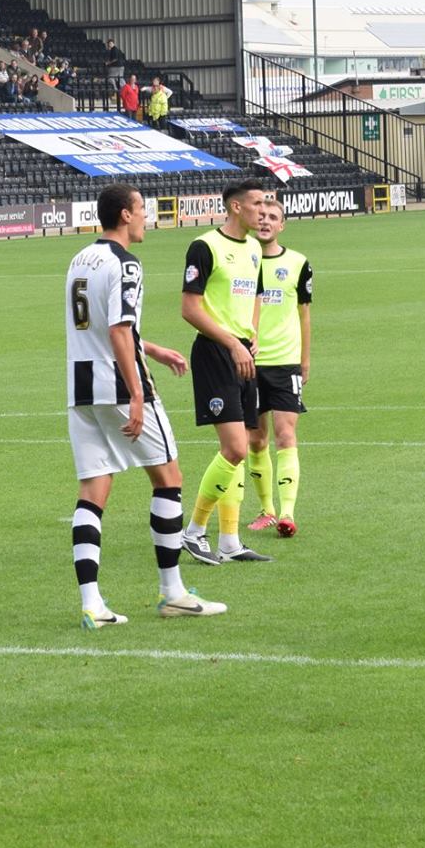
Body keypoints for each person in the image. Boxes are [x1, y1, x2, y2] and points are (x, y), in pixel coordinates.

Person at [63, 184, 225, 625]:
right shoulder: (126, 263)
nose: (146, 216)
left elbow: (99, 326)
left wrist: (151, 349)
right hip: (119, 385)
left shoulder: (80, 259)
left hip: (81, 389)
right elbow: (117, 330)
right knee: (169, 478)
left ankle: (93, 604)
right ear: (124, 214)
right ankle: (173, 592)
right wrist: (137, 394)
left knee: (93, 491)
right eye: (141, 209)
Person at [177, 178, 274, 565]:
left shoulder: (254, 249)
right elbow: (189, 308)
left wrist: (251, 335)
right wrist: (232, 343)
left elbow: (255, 296)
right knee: (234, 448)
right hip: (216, 352)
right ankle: (193, 531)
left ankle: (230, 542)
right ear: (236, 207)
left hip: (242, 352)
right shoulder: (205, 246)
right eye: (257, 204)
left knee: (239, 449)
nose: (263, 212)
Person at [244, 197, 312, 538]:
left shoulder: (298, 263)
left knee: (286, 435)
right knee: (256, 441)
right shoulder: (242, 261)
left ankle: (287, 513)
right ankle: (266, 510)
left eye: (273, 217)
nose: (266, 221)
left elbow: (304, 314)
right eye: (261, 216)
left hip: (285, 363)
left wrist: (305, 359)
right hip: (249, 362)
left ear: (282, 225)